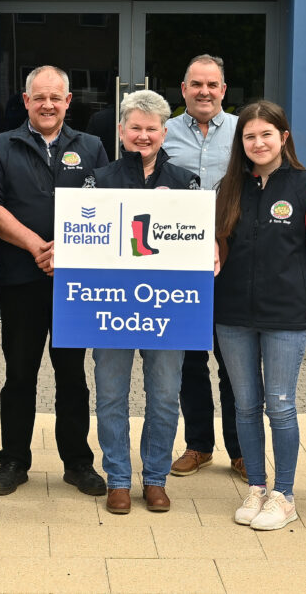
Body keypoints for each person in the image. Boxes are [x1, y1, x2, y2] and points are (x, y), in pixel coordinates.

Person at [0, 65, 109, 497]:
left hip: (76, 285)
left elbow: (106, 208)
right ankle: (13, 460)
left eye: (56, 97)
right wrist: (38, 246)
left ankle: (78, 462)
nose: (48, 104)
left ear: (68, 101)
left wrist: (68, 251)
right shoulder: (1, 146)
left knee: (72, 376)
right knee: (19, 374)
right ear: (26, 101)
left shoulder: (91, 147)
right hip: (21, 281)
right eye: (40, 97)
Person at [214, 101, 306, 530]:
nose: (258, 143)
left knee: (280, 405)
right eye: (250, 136)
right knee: (246, 405)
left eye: (266, 134)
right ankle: (257, 488)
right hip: (231, 314)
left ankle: (284, 495)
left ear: (283, 137)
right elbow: (218, 250)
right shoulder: (228, 187)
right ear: (240, 142)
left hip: (285, 316)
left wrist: (301, 302)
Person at [83, 90, 201, 514]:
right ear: (121, 131)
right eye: (136, 127)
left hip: (168, 309)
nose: (143, 135)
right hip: (112, 307)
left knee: (165, 397)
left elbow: (197, 244)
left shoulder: (187, 182)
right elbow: (84, 243)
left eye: (152, 129)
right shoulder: (97, 180)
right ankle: (117, 479)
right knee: (111, 397)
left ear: (165, 132)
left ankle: (155, 479)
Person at [163, 54, 243, 478]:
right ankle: (198, 445)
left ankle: (241, 450)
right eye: (196, 84)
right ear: (184, 89)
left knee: (234, 360)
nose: (205, 92)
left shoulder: (244, 131)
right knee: (189, 360)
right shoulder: (164, 132)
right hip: (180, 260)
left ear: (223, 90)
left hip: (232, 258)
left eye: (212, 84)